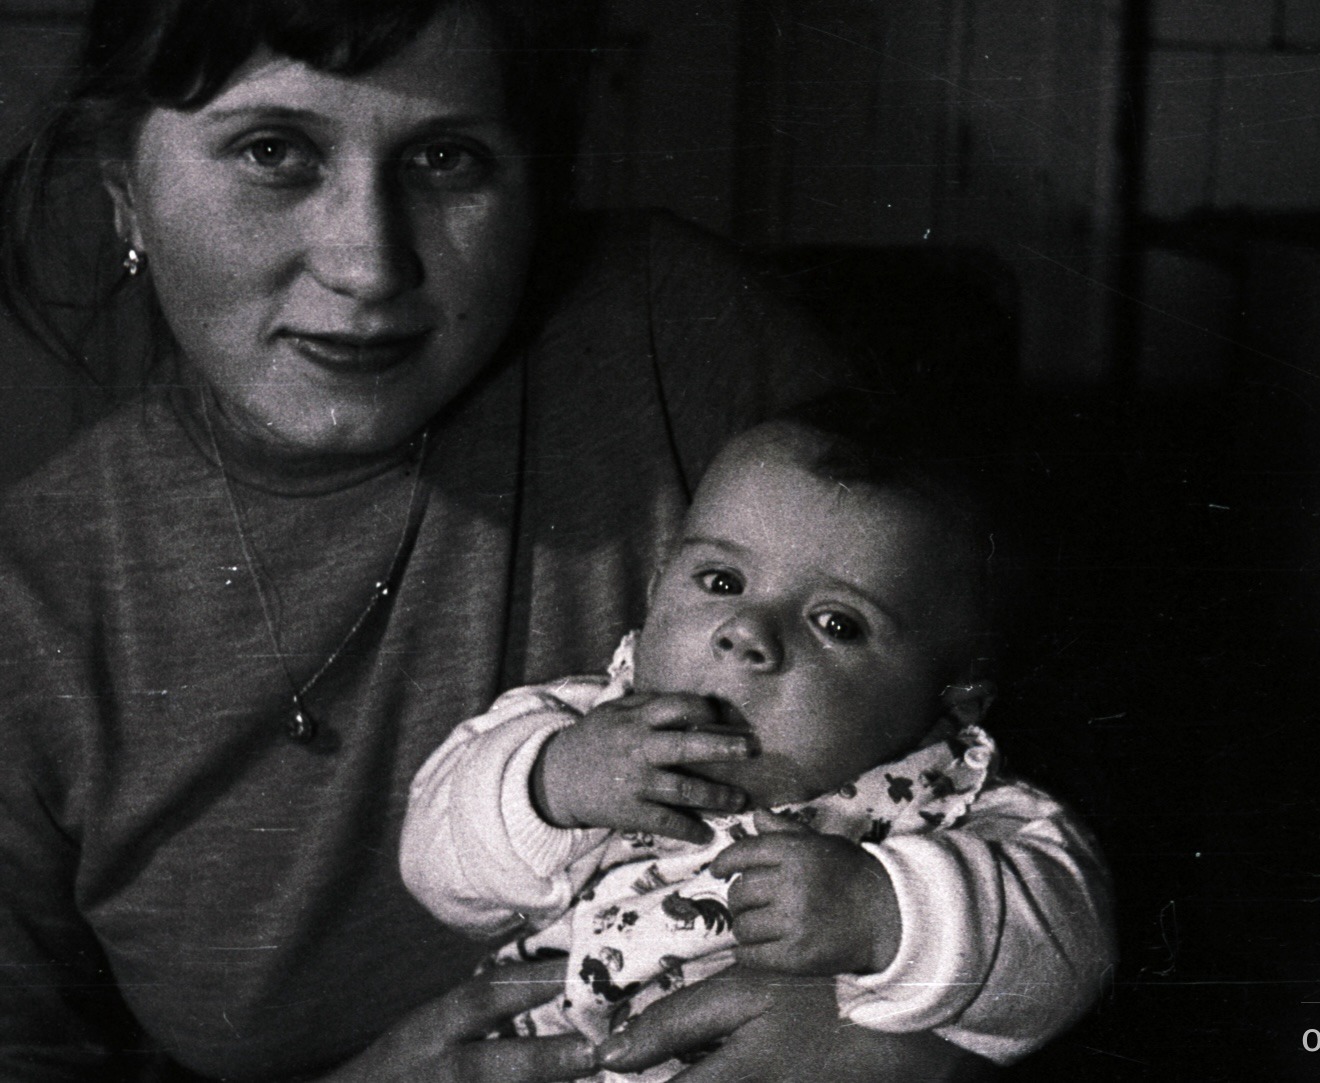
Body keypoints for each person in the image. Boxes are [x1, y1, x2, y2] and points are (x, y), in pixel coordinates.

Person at [0, 2, 1108, 1080]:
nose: (368, 264)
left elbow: (1039, 825)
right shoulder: (32, 607)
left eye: (446, 161)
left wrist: (905, 1049)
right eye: (273, 151)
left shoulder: (677, 340)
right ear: (124, 199)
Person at [401, 416, 1114, 1079]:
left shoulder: (969, 816)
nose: (746, 631)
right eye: (720, 581)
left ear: (954, 696)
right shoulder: (573, 724)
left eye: (836, 622)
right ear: (654, 593)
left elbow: (1064, 965)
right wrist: (546, 786)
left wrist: (887, 914)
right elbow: (434, 867)